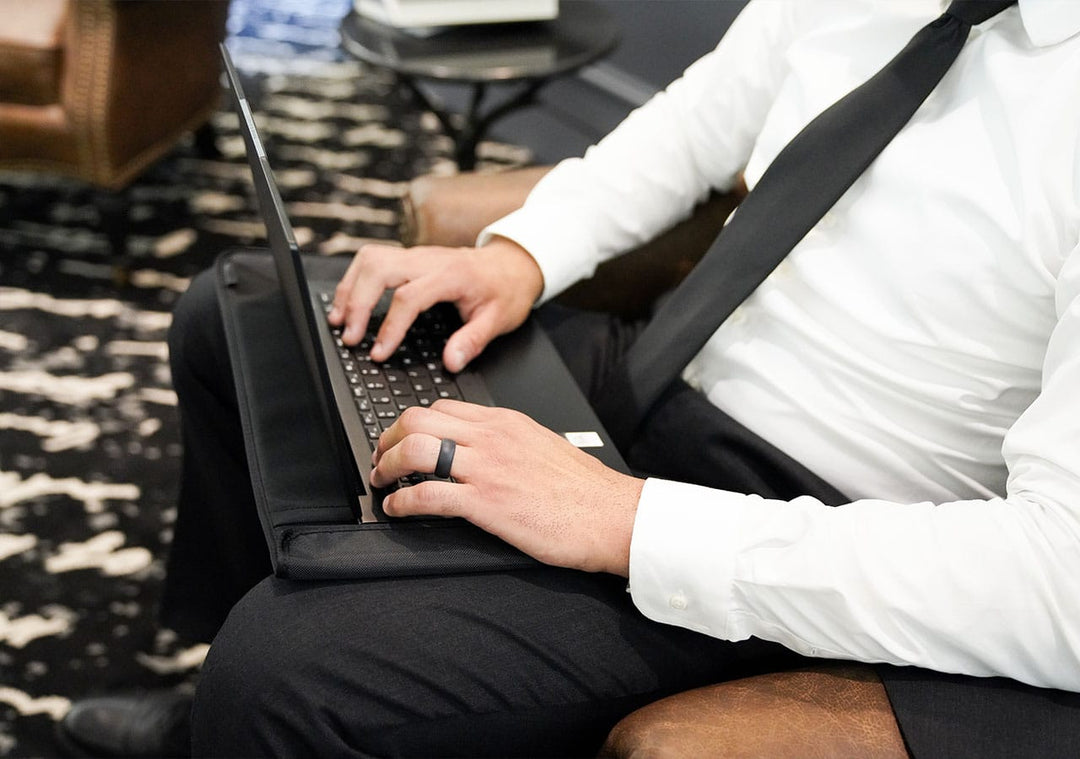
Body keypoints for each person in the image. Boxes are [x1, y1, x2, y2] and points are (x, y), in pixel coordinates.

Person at [58, 0, 1080, 756]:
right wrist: (520, 255)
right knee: (237, 319)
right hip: (663, 367)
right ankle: (213, 727)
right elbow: (690, 126)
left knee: (284, 670)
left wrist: (626, 521)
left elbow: (1060, 584)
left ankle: (240, 713)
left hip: (815, 515)